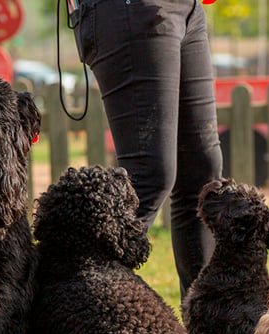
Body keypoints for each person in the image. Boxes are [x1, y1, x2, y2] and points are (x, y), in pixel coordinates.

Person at [69, 0, 223, 297]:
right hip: (130, 8)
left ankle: (203, 330)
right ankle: (74, 302)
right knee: (148, 173)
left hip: (187, 9)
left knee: (202, 172)